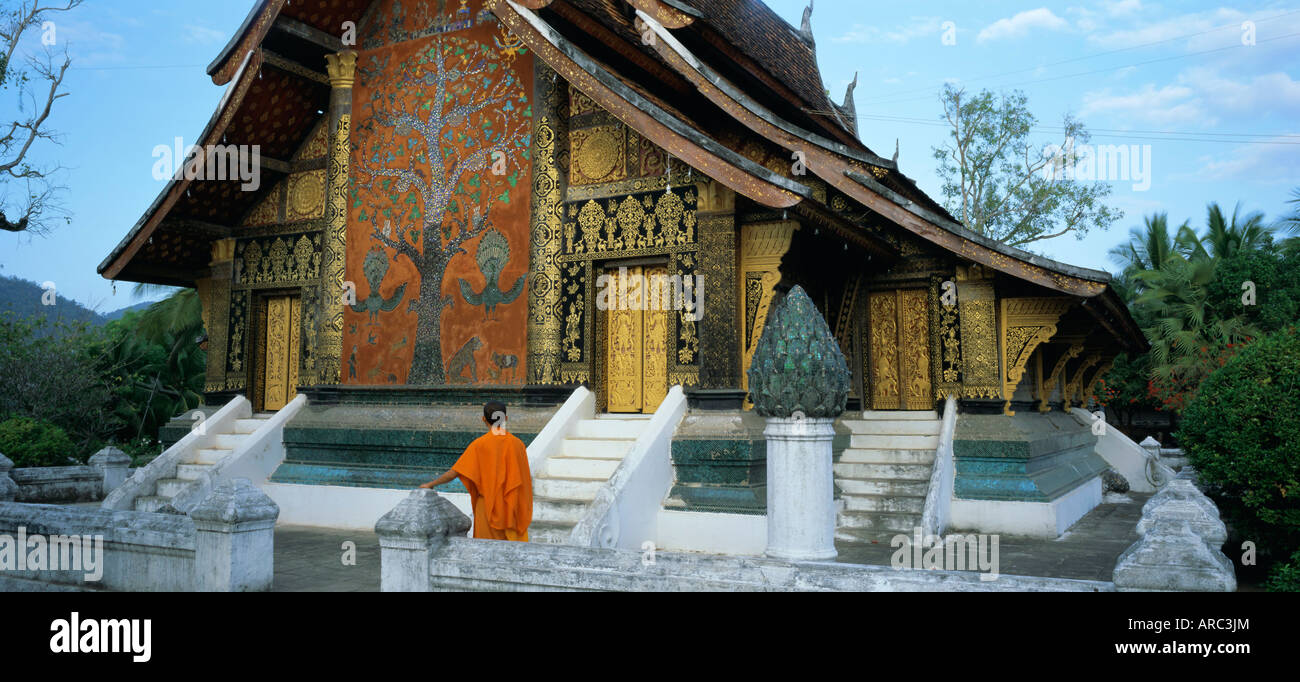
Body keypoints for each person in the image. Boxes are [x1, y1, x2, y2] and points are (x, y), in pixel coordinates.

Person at [419, 400, 532, 542]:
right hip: (512, 508)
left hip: (487, 509)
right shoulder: (518, 445)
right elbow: (523, 481)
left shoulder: (479, 445)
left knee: (487, 553)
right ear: (505, 418)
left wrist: (431, 484)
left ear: (483, 419)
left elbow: (454, 472)